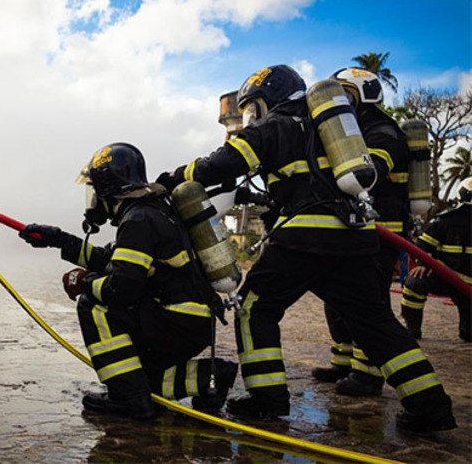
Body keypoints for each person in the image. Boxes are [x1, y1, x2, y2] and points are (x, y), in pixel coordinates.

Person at [156, 64, 456, 432]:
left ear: (272, 98)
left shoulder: (276, 124)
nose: (253, 116)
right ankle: (431, 407)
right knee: (374, 321)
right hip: (354, 234)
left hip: (304, 234)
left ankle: (267, 400)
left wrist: (171, 179)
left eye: (254, 107)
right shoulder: (335, 126)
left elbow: (223, 165)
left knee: (254, 307)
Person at [18, 142, 238, 419]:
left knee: (93, 305)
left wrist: (84, 282)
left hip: (175, 322)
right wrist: (58, 240)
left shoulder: (138, 220)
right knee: (141, 377)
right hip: (190, 322)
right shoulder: (153, 211)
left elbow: (120, 289)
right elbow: (109, 259)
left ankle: (128, 400)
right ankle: (211, 376)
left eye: (94, 191)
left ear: (109, 188)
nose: (94, 201)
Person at [310, 68, 410, 397]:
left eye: (346, 93)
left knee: (370, 303)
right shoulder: (351, 130)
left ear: (364, 95)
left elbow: (371, 171)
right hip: (355, 229)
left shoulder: (383, 130)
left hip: (382, 231)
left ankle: (368, 375)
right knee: (336, 298)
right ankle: (343, 361)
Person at [400, 177, 472, 342]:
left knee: (469, 334)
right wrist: (424, 262)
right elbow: (423, 247)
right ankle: (412, 328)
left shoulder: (445, 221)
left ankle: (412, 329)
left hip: (451, 280)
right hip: (449, 278)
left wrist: (424, 261)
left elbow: (422, 246)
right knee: (415, 281)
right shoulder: (445, 223)